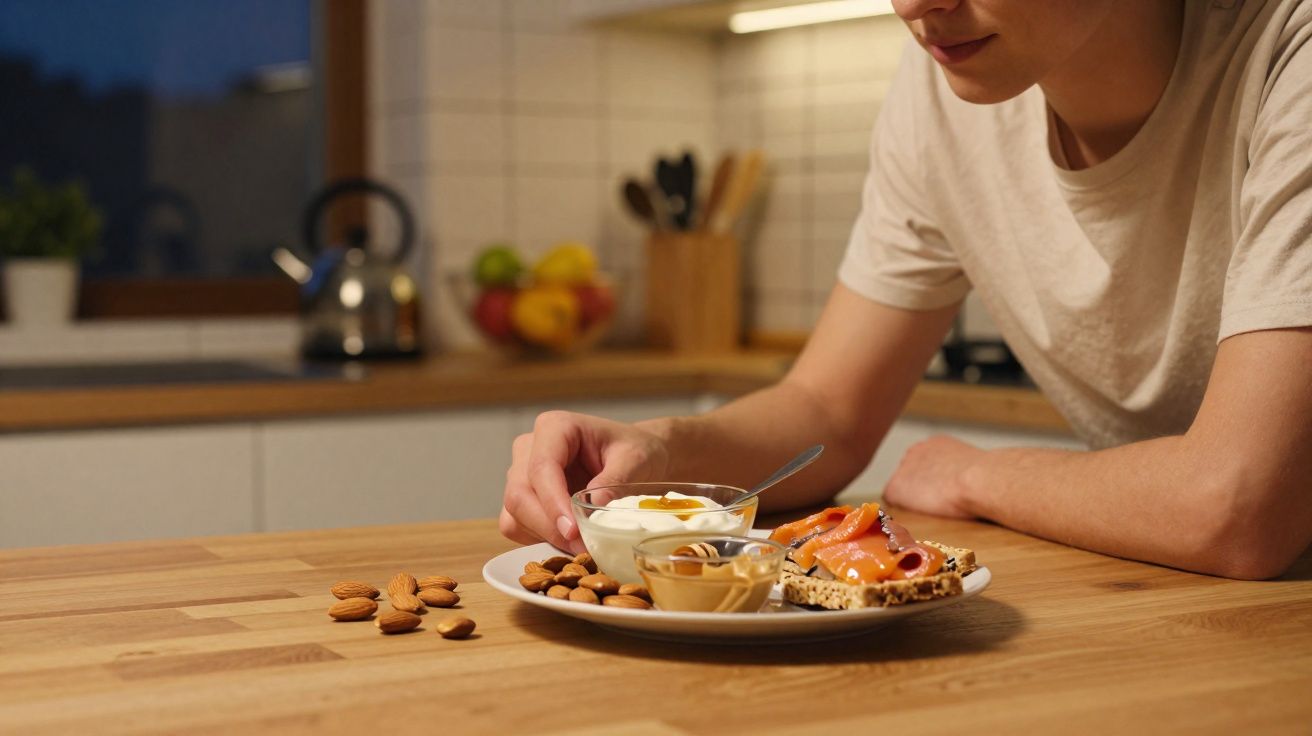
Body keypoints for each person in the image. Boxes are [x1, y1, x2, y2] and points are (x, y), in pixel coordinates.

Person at [499, 0, 1312, 580]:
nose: (915, 4)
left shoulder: (1288, 50)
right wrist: (662, 454)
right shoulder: (945, 91)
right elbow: (829, 412)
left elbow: (1241, 504)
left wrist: (977, 476)